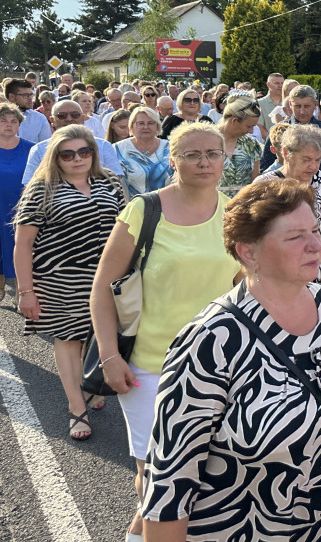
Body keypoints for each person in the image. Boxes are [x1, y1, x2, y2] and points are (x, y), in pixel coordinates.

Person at [140, 178, 321, 540]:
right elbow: (169, 482)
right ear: (248, 252)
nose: (315, 244)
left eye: (313, 230)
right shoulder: (211, 340)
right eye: (294, 237)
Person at [91, 122, 239, 541]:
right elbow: (102, 287)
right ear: (172, 160)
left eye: (213, 153)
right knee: (155, 478)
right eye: (192, 154)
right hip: (150, 368)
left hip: (218, 371)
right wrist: (109, 356)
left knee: (206, 476)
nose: (204, 162)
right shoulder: (144, 209)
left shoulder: (233, 213)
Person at [15, 125, 126, 440]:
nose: (77, 158)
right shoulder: (42, 189)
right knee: (69, 338)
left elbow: (125, 229)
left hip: (106, 277)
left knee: (97, 335)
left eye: (84, 151)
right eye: (68, 153)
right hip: (59, 279)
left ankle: (89, 386)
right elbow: (23, 244)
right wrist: (26, 292)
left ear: (93, 152)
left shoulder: (110, 183)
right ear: (56, 157)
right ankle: (76, 407)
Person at [256, 124, 321, 284]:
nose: (313, 166)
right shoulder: (265, 185)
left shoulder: (320, 179)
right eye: (306, 160)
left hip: (317, 278)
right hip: (279, 281)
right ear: (286, 153)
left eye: (318, 159)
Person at [259, 85, 321, 208]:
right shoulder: (279, 132)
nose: (302, 111)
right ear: (290, 104)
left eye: (306, 106)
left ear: (315, 105)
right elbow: (266, 167)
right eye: (297, 106)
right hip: (287, 203)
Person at [22, 100, 124, 182]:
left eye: (75, 115)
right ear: (52, 120)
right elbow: (30, 183)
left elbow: (115, 179)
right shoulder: (39, 150)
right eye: (62, 116)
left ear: (83, 118)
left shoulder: (103, 146)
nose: (69, 119)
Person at [0, 103, 32, 298]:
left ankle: (23, 292)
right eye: (3, 121)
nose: (8, 125)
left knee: (22, 247)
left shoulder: (31, 149)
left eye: (13, 121)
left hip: (22, 206)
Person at [115, 107, 173, 198]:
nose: (146, 127)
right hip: (130, 207)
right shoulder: (116, 149)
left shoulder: (171, 148)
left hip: (168, 205)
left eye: (151, 123)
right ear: (132, 126)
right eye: (141, 123)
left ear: (157, 126)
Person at [216, 95, 262, 198]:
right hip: (211, 203)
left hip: (242, 205)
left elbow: (255, 180)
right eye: (248, 126)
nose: (251, 131)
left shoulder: (251, 144)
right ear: (234, 121)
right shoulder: (207, 141)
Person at [6, 78, 51, 143]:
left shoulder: (39, 118)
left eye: (31, 95)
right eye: (25, 95)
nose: (30, 99)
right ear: (12, 97)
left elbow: (46, 146)